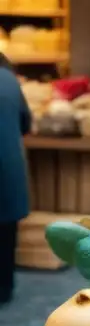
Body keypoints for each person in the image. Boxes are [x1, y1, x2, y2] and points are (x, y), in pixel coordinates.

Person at [0, 53, 31, 304]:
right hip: (8, 166)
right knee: (6, 232)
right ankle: (4, 288)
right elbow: (26, 122)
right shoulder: (11, 81)